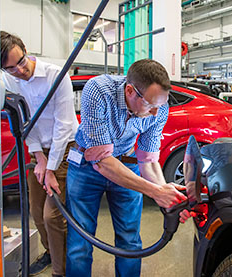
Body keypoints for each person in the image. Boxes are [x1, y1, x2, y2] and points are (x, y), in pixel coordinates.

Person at [65, 59, 188, 276]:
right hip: (86, 168)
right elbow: (102, 160)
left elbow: (148, 160)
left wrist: (168, 197)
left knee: (129, 239)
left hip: (128, 165)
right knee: (80, 242)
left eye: (160, 105)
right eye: (150, 104)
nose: (154, 113)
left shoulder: (159, 109)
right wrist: (155, 191)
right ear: (130, 90)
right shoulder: (99, 90)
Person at [0, 31, 78, 277]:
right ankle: (50, 252)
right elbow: (24, 121)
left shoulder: (56, 75)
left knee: (52, 215)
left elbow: (64, 124)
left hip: (65, 148)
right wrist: (39, 158)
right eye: (11, 68)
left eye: (21, 62)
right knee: (36, 211)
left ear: (26, 50)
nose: (20, 71)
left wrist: (51, 167)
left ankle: (61, 270)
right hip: (40, 151)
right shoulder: (9, 80)